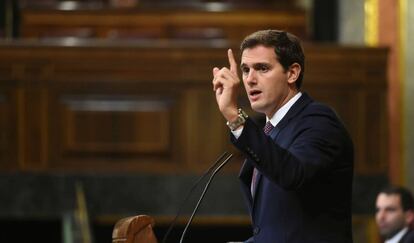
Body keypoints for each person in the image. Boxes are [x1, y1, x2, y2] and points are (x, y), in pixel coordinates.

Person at [211, 29, 354, 242]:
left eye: (262, 68)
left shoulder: (319, 121)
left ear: (292, 73)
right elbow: (277, 231)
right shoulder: (269, 131)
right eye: (245, 69)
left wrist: (234, 116)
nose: (250, 79)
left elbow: (292, 173)